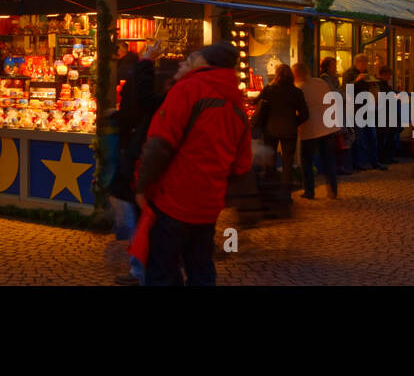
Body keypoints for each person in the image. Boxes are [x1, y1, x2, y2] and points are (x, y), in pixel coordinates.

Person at [134, 42, 252, 286]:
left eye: (189, 59)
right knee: (201, 268)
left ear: (203, 63)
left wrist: (142, 186)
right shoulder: (236, 102)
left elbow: (160, 144)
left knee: (162, 270)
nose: (182, 63)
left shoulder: (188, 90)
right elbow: (242, 164)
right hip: (208, 205)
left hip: (174, 199)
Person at [109, 41, 160, 285]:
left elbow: (135, 107)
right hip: (139, 158)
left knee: (136, 216)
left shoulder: (142, 92)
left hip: (136, 155)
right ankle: (145, 267)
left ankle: (140, 268)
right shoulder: (163, 95)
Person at [252, 63, 308, 207]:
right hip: (289, 131)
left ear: (276, 75)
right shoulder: (296, 92)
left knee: (270, 162)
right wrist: (294, 123)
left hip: (270, 130)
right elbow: (305, 114)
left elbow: (255, 102)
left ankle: (270, 194)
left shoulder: (269, 89)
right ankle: (285, 196)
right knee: (287, 163)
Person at [295, 62, 339, 199]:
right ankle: (333, 188)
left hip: (310, 130)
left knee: (307, 160)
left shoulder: (299, 88)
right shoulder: (320, 82)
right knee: (328, 159)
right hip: (328, 126)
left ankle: (310, 191)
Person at [344, 53, 385, 171]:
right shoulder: (349, 74)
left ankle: (374, 161)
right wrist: (357, 80)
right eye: (363, 63)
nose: (365, 65)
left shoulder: (366, 73)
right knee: (359, 137)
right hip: (357, 109)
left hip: (368, 108)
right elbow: (347, 90)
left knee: (372, 137)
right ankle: (359, 162)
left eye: (366, 63)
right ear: (358, 63)